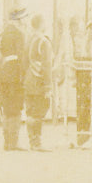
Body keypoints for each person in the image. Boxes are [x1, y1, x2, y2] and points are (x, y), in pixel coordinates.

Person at [0, 7, 27, 150]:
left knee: (7, 107)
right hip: (15, 73)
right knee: (15, 107)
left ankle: (6, 141)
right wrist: (23, 74)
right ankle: (13, 142)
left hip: (4, 73)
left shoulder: (3, 34)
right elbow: (21, 56)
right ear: (19, 20)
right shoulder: (19, 33)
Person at [24, 13, 53, 151]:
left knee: (30, 111)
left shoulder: (28, 40)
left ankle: (32, 141)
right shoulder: (44, 41)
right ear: (42, 24)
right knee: (40, 109)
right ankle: (37, 142)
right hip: (40, 81)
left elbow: (24, 62)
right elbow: (47, 65)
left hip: (29, 79)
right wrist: (48, 86)